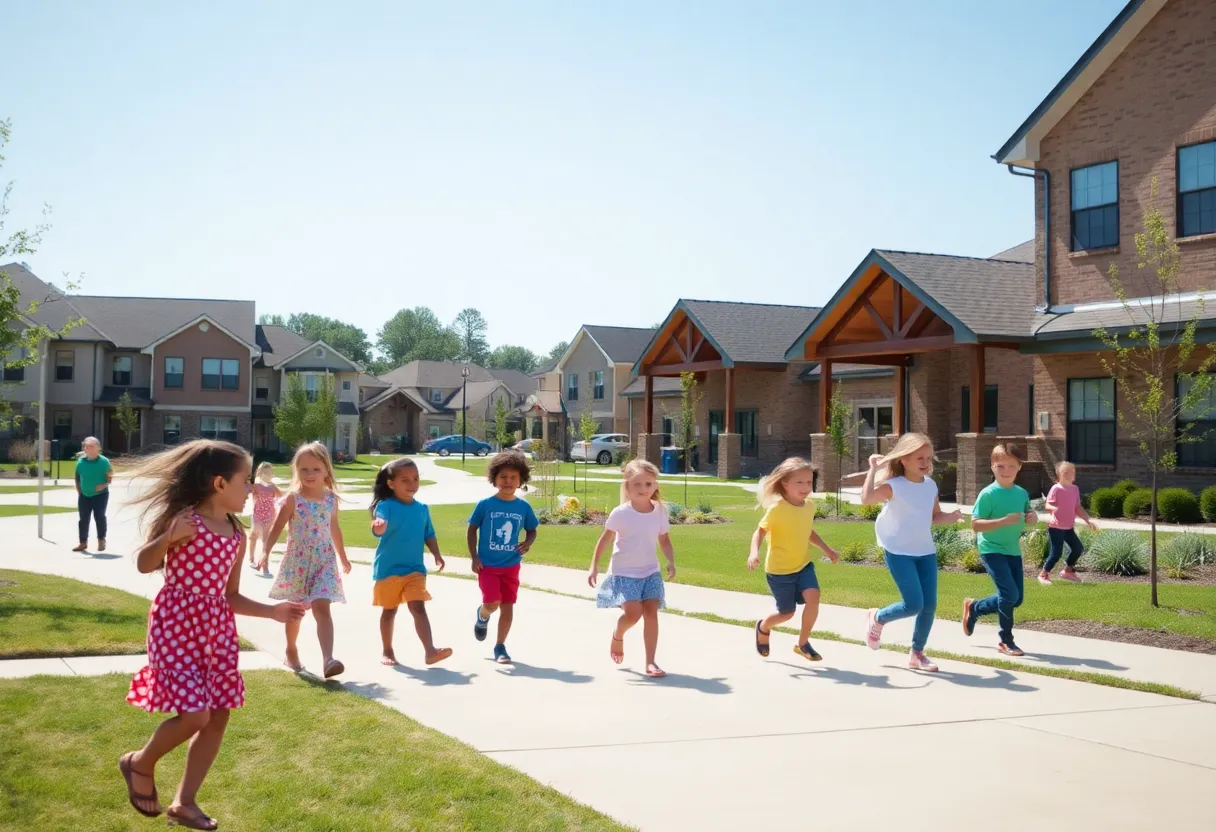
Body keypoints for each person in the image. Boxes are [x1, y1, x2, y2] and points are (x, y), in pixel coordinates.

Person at [119, 440, 308, 829]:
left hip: (216, 632)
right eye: (246, 481)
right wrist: (168, 536)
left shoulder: (237, 535)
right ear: (220, 483)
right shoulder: (186, 520)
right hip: (176, 626)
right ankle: (139, 762)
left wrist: (272, 611)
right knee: (195, 714)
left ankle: (184, 803)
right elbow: (144, 564)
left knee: (218, 716)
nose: (252, 489)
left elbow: (231, 595)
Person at [860, 433, 961, 672]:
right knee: (914, 604)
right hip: (898, 550)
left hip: (925, 551)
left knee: (929, 606)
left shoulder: (930, 485)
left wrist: (953, 517)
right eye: (919, 458)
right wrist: (872, 470)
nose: (925, 463)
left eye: (928, 458)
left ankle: (917, 653)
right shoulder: (894, 486)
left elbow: (934, 517)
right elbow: (866, 500)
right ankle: (878, 618)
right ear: (903, 460)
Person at [265, 442, 352, 678]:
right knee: (296, 612)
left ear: (326, 470)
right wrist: (266, 551)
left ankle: (328, 660)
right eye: (304, 469)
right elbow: (277, 527)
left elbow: (334, 528)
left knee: (321, 607)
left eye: (315, 469)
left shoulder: (331, 500)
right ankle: (291, 649)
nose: (310, 474)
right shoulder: (293, 499)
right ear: (296, 471)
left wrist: (343, 557)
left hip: (324, 560)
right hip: (298, 562)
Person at [587, 459, 677, 678]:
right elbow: (605, 539)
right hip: (624, 572)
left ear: (655, 486)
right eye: (637, 484)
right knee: (633, 615)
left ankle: (651, 662)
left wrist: (671, 561)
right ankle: (618, 635)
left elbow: (664, 539)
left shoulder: (660, 511)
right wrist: (594, 566)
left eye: (648, 484)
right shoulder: (620, 513)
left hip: (650, 572)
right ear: (626, 486)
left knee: (651, 614)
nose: (643, 489)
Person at [747, 457, 839, 661]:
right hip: (780, 571)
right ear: (785, 484)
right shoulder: (777, 509)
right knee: (787, 613)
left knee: (814, 597)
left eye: (809, 482)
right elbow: (760, 532)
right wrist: (754, 553)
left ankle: (803, 643)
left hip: (803, 564)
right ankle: (763, 627)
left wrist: (826, 549)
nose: (806, 487)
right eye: (800, 482)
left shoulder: (809, 506)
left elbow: (807, 532)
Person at [369, 456, 452, 667]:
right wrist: (377, 527)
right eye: (405, 480)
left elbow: (429, 534)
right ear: (391, 483)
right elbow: (379, 525)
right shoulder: (386, 506)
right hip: (388, 569)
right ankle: (387, 651)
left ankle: (430, 651)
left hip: (415, 569)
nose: (412, 484)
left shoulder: (422, 508)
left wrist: (437, 554)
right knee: (389, 611)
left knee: (418, 607)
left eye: (415, 478)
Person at [963, 444, 1037, 657]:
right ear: (992, 467)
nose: (1006, 470)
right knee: (1009, 594)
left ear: (1019, 467)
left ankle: (975, 608)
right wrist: (1003, 521)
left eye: (1011, 466)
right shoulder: (988, 494)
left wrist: (1032, 516)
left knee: (1016, 599)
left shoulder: (1021, 493)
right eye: (1000, 466)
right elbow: (975, 524)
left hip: (1012, 550)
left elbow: (1028, 512)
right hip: (991, 548)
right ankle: (1006, 641)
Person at [468, 450, 538, 664]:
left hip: (511, 566)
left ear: (520, 480)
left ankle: (500, 646)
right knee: (492, 603)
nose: (508, 481)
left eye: (513, 477)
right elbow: (472, 530)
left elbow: (532, 529)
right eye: (503, 477)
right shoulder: (485, 505)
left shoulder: (523, 507)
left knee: (507, 605)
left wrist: (528, 542)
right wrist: (474, 557)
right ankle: (483, 615)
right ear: (494, 479)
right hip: (487, 565)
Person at [1039, 461, 1098, 585]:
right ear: (1059, 475)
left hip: (1068, 527)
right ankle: (1043, 574)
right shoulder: (1056, 488)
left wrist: (1087, 520)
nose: (1069, 475)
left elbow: (1078, 507)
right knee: (1056, 553)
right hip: (1056, 528)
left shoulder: (1075, 489)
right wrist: (1053, 509)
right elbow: (1048, 504)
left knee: (1078, 548)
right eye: (1065, 473)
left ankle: (1067, 571)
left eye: (1072, 473)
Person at [73, 436, 113, 552]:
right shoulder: (81, 462)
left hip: (100, 495)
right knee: (83, 519)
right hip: (84, 495)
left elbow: (110, 478)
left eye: (91, 446)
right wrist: (79, 490)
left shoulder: (104, 462)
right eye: (86, 446)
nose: (88, 448)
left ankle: (101, 540)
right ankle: (83, 542)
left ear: (98, 448)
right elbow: (77, 476)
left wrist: (104, 485)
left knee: (99, 517)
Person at [247, 462, 282, 575]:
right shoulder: (256, 486)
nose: (267, 474)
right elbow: (248, 490)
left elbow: (281, 497)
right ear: (260, 473)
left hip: (269, 516)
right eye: (264, 472)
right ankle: (251, 558)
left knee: (265, 541)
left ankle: (264, 565)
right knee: (253, 535)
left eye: (269, 472)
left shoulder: (273, 487)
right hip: (257, 514)